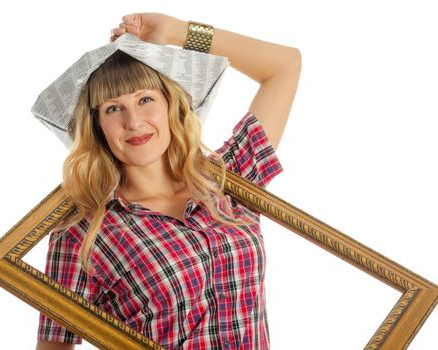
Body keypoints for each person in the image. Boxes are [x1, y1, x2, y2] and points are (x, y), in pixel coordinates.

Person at [36, 12, 301, 350]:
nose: (134, 121)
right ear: (98, 126)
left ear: (170, 104)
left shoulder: (228, 179)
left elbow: (285, 65)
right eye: (113, 109)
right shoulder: (81, 234)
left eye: (145, 99)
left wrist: (176, 32)